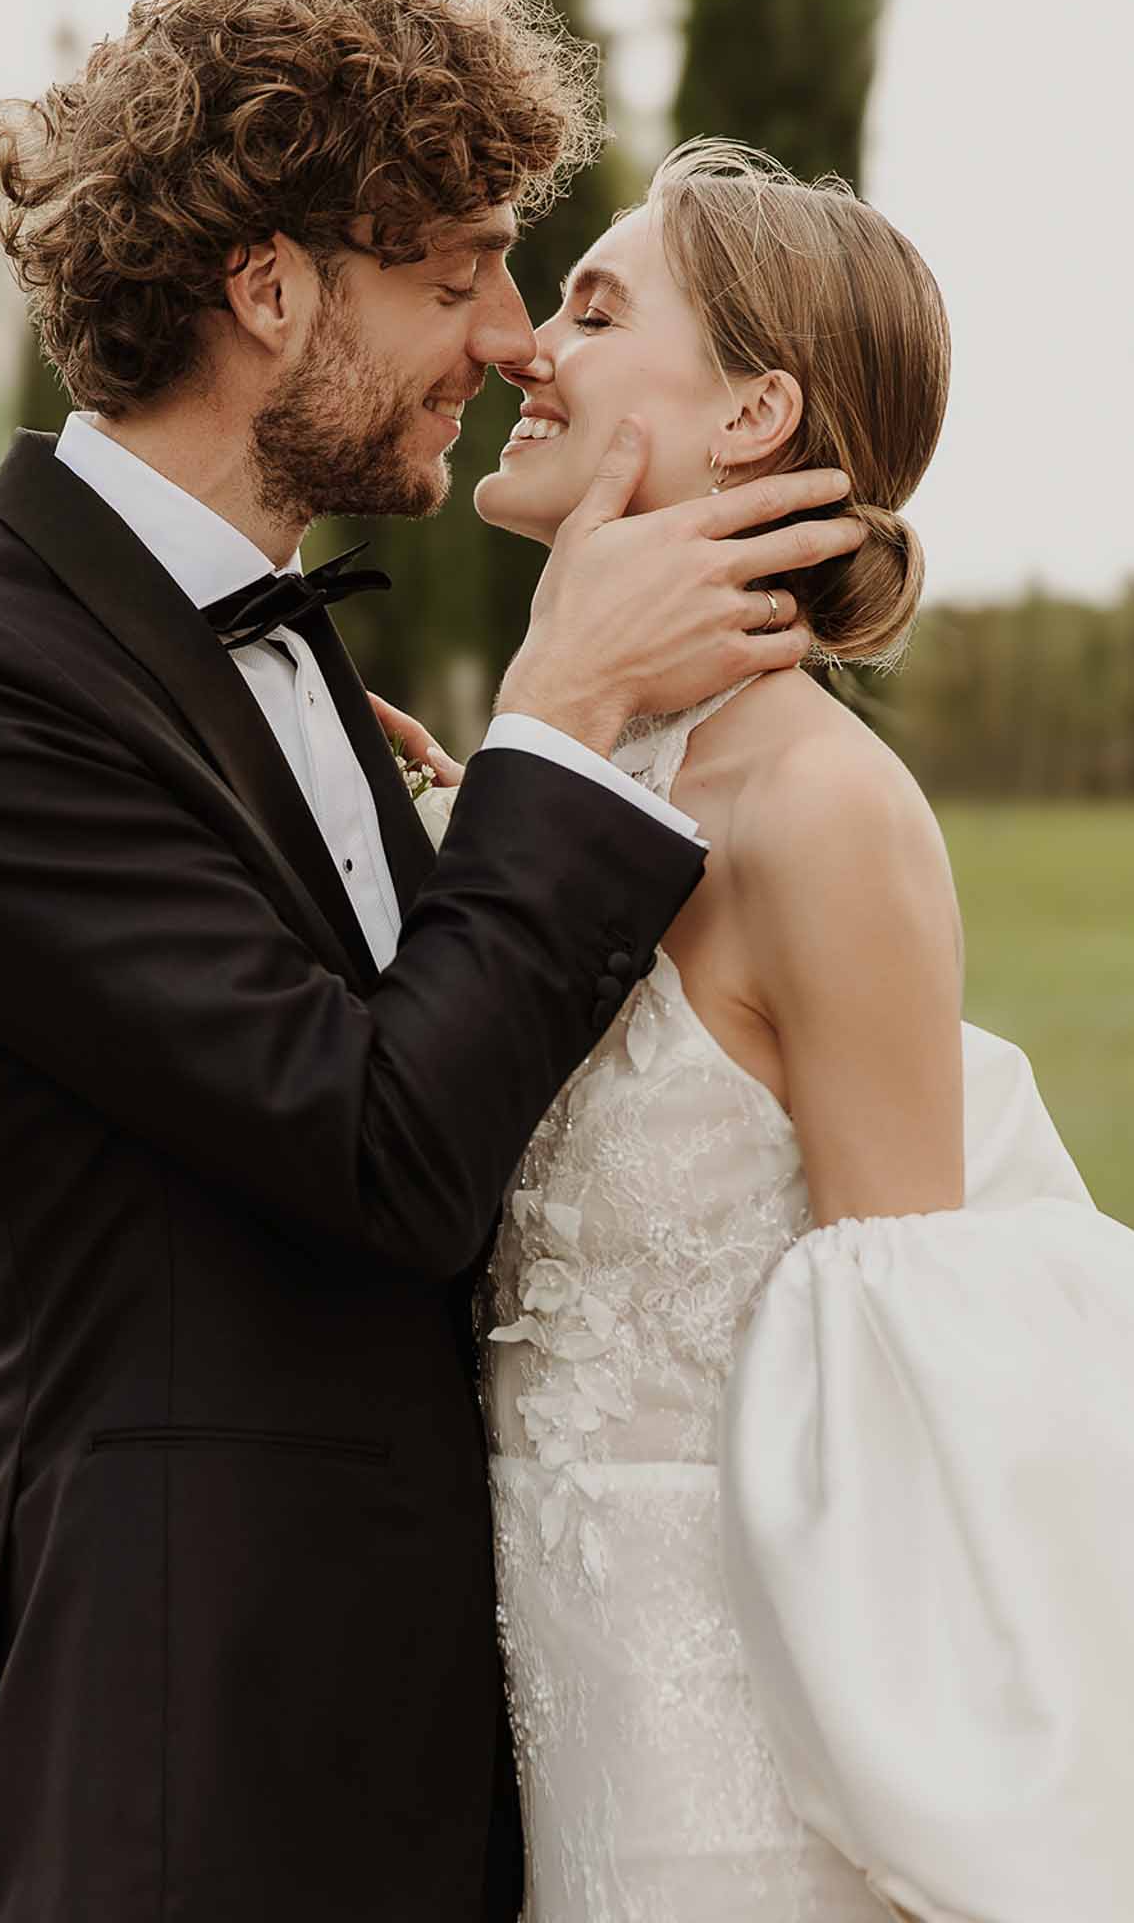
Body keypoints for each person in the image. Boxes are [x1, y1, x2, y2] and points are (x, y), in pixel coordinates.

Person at [0, 0, 862, 1923]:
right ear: (267, 287)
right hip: (188, 1778)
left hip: (456, 1782)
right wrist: (555, 729)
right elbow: (384, 1152)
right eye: (452, 273)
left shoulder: (287, 678)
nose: (509, 336)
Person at [460, 138, 1134, 1921]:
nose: (530, 345)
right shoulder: (560, 786)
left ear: (753, 412)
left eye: (596, 308)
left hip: (734, 1788)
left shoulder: (822, 810)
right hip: (534, 1726)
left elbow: (919, 1402)